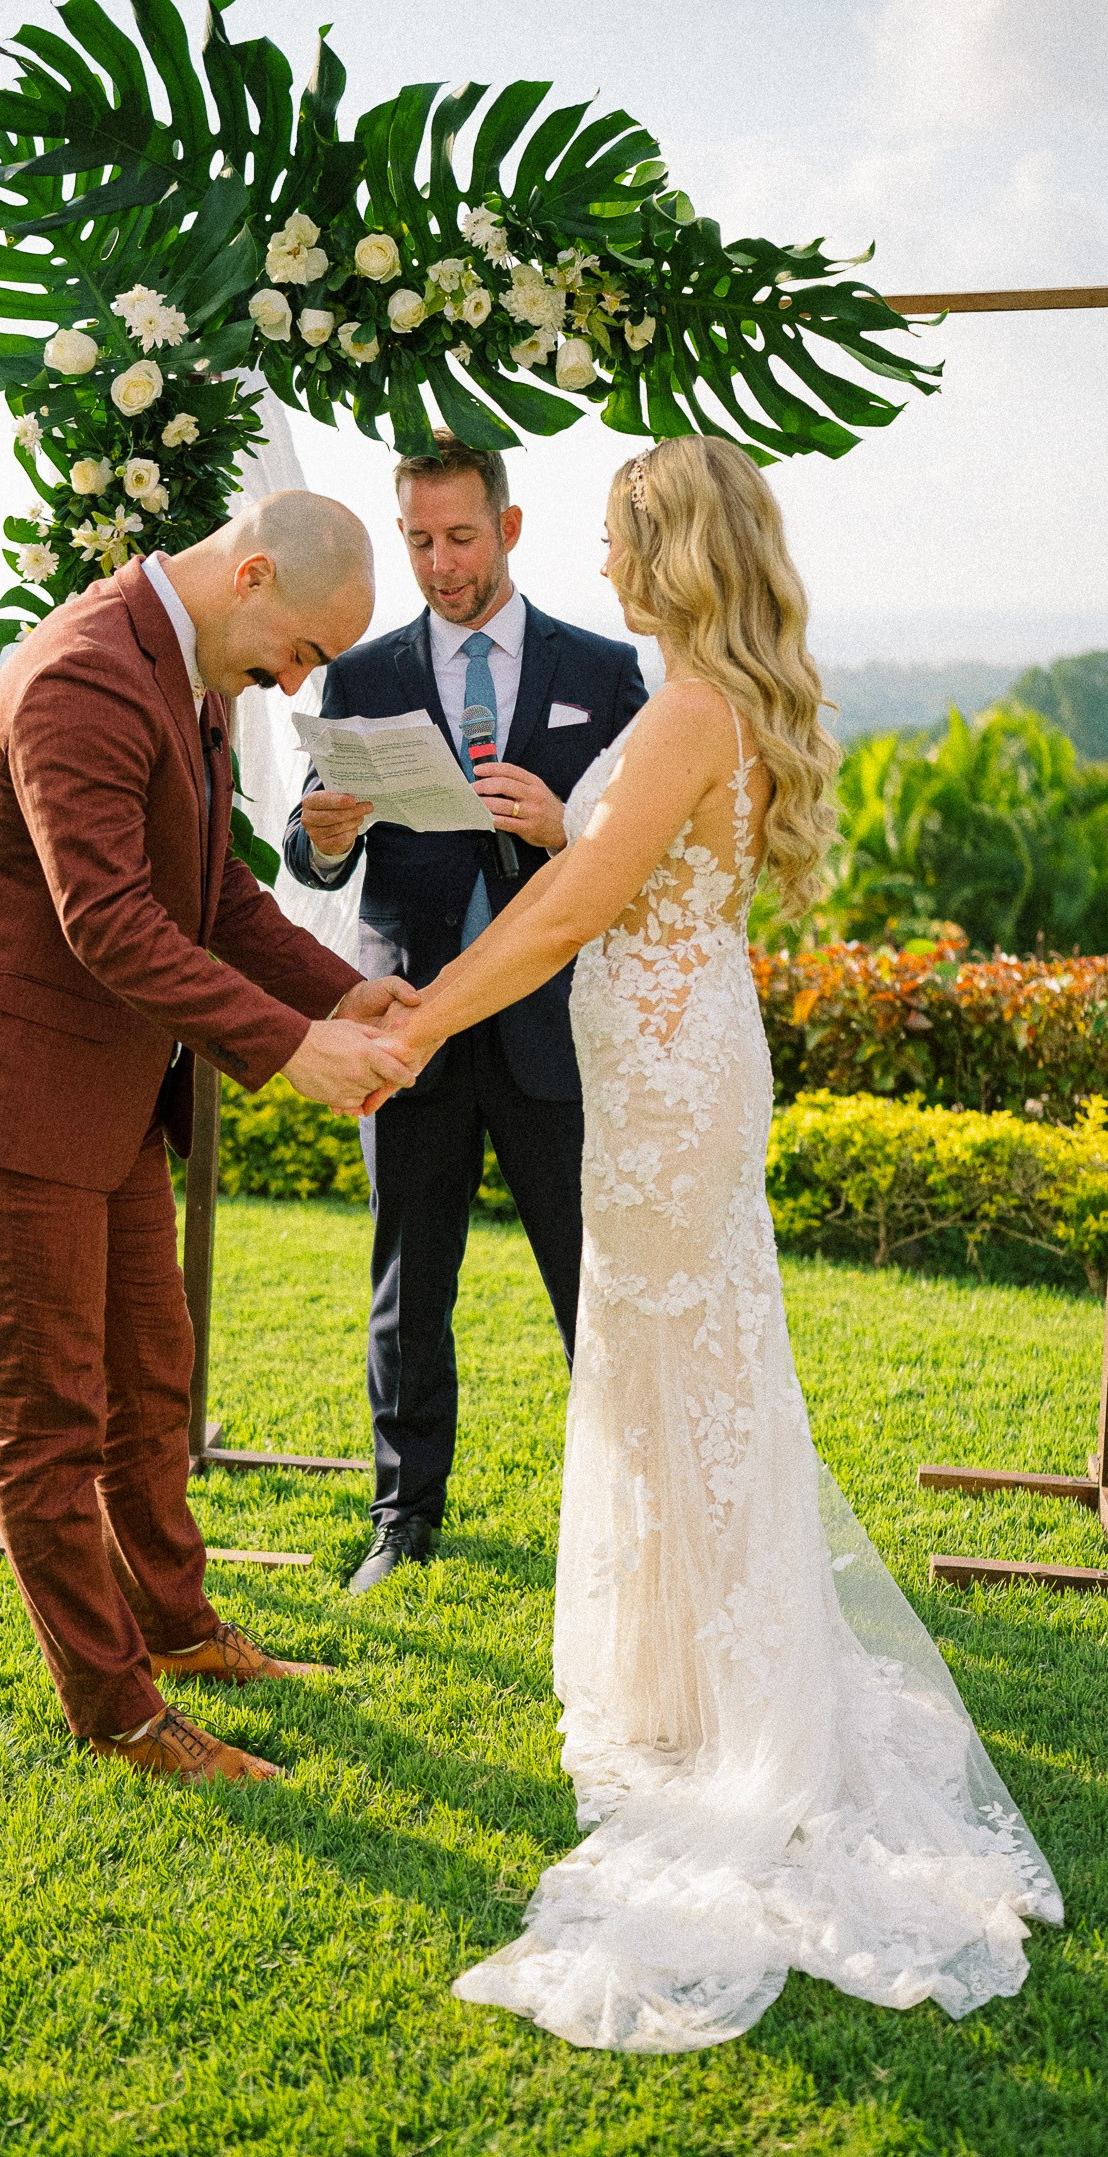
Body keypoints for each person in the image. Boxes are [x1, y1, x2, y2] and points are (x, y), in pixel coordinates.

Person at [368, 437, 1062, 2051]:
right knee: (668, 1369)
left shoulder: (683, 710)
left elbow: (570, 910)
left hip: (670, 1087)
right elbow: (608, 885)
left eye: (622, 539)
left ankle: (743, 1715)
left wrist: (417, 1021)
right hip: (665, 1064)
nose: (605, 567)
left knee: (680, 1370)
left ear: (672, 551)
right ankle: (696, 1684)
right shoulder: (695, 699)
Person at [0, 493, 421, 1785]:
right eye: (298, 651)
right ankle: (118, 1711)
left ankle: (174, 1631)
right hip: (12, 1096)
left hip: (111, 1091)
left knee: (150, 1375)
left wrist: (335, 988)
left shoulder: (185, 669)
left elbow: (212, 890)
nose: (298, 683)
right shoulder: (81, 676)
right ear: (247, 577)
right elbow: (111, 924)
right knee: (49, 1421)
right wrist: (297, 1051)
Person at [283, 433, 648, 1594]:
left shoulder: (607, 669)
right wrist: (324, 836)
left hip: (556, 1030)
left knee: (593, 1284)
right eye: (420, 540)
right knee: (409, 1283)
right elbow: (309, 837)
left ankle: (638, 1516)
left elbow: (642, 854)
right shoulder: (368, 673)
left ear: (510, 527)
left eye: (461, 537)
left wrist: (562, 831)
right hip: (415, 1019)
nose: (441, 564)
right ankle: (402, 1518)